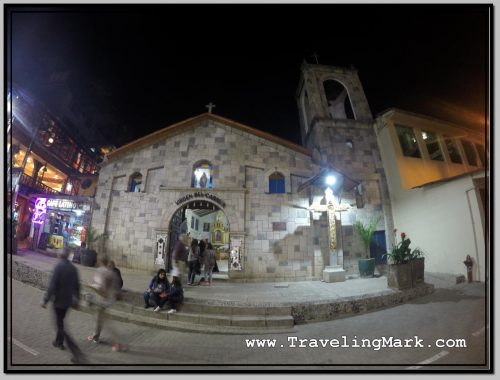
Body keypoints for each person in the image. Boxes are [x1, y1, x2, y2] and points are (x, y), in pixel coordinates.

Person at [42, 248, 87, 364]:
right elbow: (77, 286)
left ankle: (77, 353)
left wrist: (45, 300)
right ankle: (59, 342)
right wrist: (77, 300)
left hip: (58, 302)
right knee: (61, 321)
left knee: (60, 326)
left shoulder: (58, 267)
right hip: (68, 302)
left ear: (60, 256)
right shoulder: (73, 268)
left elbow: (52, 286)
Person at [87, 256, 126, 352]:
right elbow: (116, 286)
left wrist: (90, 286)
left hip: (102, 300)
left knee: (106, 323)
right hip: (108, 300)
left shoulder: (101, 271)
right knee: (99, 319)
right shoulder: (111, 272)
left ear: (100, 261)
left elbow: (101, 288)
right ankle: (95, 336)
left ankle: (119, 343)